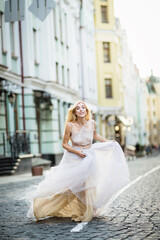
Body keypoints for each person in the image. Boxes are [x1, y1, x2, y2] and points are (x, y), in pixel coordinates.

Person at [26, 101, 130, 222]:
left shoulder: (92, 123)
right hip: (74, 158)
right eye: (78, 108)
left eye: (83, 108)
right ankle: (46, 207)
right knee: (73, 187)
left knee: (88, 186)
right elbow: (64, 144)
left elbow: (95, 136)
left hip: (90, 156)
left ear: (86, 111)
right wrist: (77, 152)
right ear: (75, 112)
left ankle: (88, 210)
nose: (81, 110)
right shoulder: (70, 125)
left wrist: (108, 142)